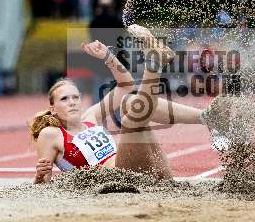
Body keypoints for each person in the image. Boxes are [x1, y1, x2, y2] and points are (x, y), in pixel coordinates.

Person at [30, 24, 208, 184]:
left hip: (148, 171)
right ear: (52, 109)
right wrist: (39, 176)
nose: (72, 102)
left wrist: (107, 56)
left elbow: (126, 85)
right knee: (132, 119)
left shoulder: (90, 117)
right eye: (64, 99)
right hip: (117, 179)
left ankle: (206, 116)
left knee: (130, 101)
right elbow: (44, 182)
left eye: (75, 97)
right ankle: (154, 62)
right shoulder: (51, 134)